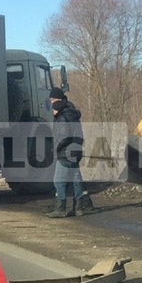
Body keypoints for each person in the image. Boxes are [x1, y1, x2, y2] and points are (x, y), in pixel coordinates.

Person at [46, 88, 93, 217]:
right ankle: (79, 207)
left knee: (59, 180)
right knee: (76, 179)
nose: (52, 106)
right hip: (75, 151)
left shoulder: (62, 117)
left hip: (65, 153)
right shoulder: (73, 115)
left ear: (57, 103)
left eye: (52, 101)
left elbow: (63, 137)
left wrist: (55, 149)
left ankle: (60, 208)